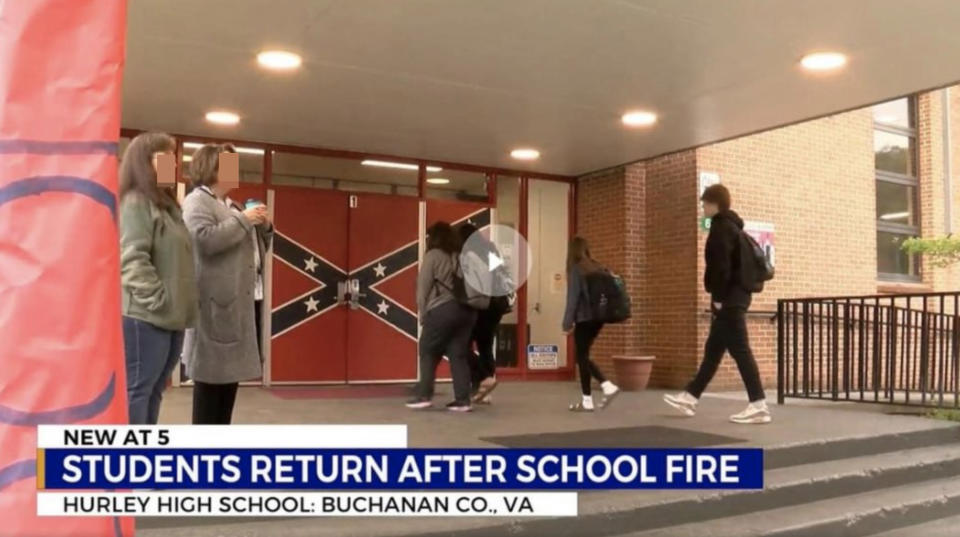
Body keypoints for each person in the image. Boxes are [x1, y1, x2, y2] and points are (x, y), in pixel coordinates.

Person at [663, 184, 771, 424]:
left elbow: (720, 268)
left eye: (704, 203)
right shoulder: (734, 228)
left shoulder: (721, 228)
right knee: (713, 351)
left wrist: (719, 299)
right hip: (736, 297)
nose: (702, 207)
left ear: (714, 203)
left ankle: (759, 405)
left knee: (741, 351)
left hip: (729, 300)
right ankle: (690, 397)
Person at [181, 143, 269, 424]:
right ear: (211, 169)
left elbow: (254, 250)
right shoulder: (197, 201)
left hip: (237, 306)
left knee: (227, 392)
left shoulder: (233, 206)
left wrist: (263, 227)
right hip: (214, 306)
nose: (236, 172)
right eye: (228, 165)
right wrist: (243, 221)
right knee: (210, 391)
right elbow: (203, 240)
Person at [118, 132, 197, 425]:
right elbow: (131, 258)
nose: (173, 164)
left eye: (173, 158)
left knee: (153, 391)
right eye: (164, 158)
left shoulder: (168, 206)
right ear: (144, 163)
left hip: (172, 317)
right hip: (145, 316)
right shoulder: (135, 202)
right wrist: (159, 299)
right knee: (138, 390)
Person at [406, 221, 477, 412]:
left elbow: (423, 290)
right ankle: (463, 400)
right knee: (458, 354)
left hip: (442, 310)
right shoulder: (461, 256)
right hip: (468, 311)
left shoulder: (433, 256)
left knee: (428, 350)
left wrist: (423, 314)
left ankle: (423, 396)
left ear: (434, 237)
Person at [562, 237, 620, 412]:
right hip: (599, 318)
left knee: (581, 357)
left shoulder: (577, 270)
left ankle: (606, 385)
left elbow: (573, 299)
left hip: (585, 318)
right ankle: (587, 401)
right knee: (582, 355)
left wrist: (566, 323)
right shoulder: (597, 266)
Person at [222, 176, 272, 361]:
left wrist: (265, 225)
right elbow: (212, 241)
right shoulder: (203, 206)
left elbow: (263, 246)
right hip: (229, 292)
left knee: (248, 353)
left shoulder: (238, 209)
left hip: (254, 289)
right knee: (229, 355)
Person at [457, 223, 503, 405]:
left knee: (463, 345)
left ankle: (479, 382)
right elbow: (500, 274)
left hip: (475, 305)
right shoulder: (490, 250)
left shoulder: (467, 254)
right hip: (494, 306)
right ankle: (485, 389)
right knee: (485, 347)